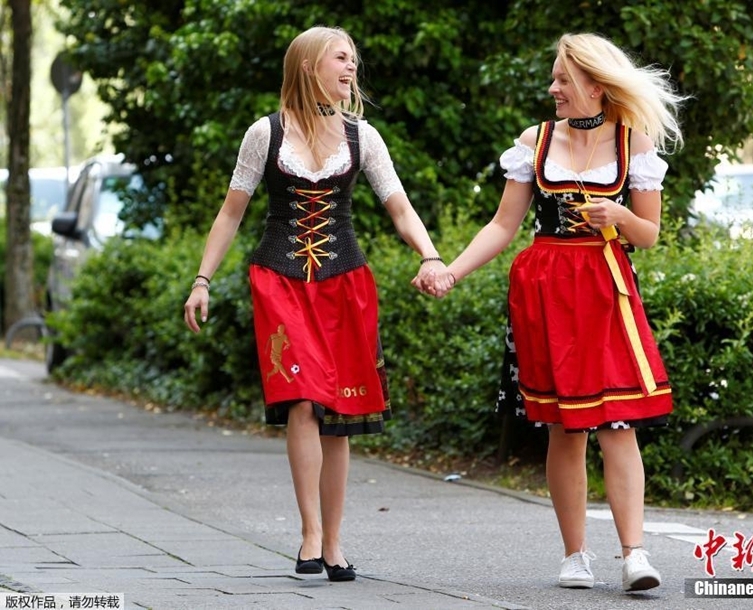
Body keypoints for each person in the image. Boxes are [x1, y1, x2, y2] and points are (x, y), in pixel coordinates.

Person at [419, 33, 685, 592]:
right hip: (545, 293)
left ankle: (634, 554)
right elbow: (502, 226)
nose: (553, 88)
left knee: (618, 423)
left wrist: (616, 215)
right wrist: (450, 270)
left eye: (563, 79)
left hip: (605, 288)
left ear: (596, 85)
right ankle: (575, 555)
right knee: (565, 428)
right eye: (555, 78)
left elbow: (651, 234)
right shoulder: (534, 141)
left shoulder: (633, 145)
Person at [183, 26, 446, 583]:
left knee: (340, 415)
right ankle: (307, 535)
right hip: (279, 278)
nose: (352, 69)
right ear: (308, 66)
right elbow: (232, 212)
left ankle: (333, 542)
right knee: (302, 399)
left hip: (345, 282)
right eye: (341, 59)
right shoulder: (266, 134)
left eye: (354, 60)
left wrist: (430, 256)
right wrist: (202, 279)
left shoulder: (363, 138)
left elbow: (399, 208)